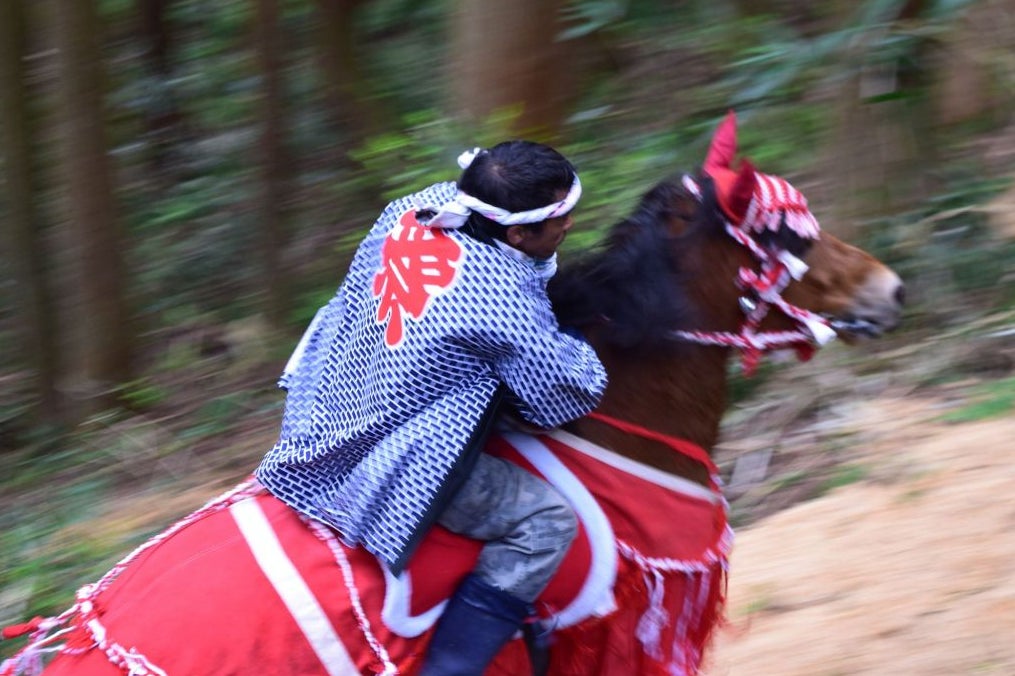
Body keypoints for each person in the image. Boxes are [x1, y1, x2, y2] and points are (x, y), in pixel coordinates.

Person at [255, 140, 607, 675]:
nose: (570, 224)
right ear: (515, 232)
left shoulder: (414, 206)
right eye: (560, 218)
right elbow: (561, 395)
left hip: (325, 399)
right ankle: (452, 668)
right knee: (545, 523)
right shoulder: (501, 299)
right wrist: (580, 341)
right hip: (385, 449)